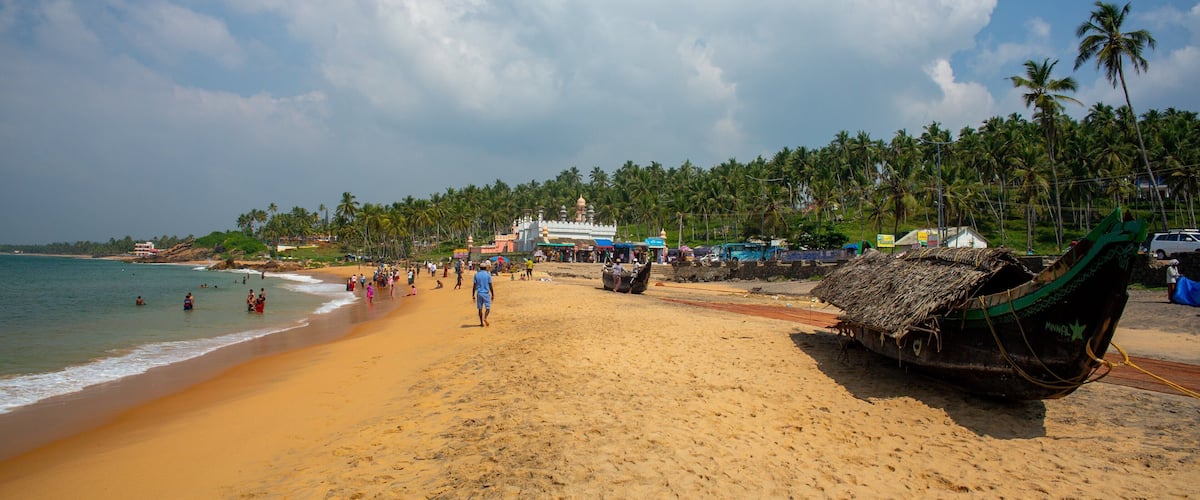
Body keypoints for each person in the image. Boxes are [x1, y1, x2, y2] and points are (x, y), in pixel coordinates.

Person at [473, 260, 494, 327]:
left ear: (480, 268)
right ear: (485, 268)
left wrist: (473, 295)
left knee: (480, 309)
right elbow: (490, 285)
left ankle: (481, 323)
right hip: (486, 293)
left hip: (479, 293)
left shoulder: (476, 275)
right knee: (487, 308)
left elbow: (474, 286)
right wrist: (493, 294)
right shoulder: (488, 275)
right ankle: (485, 318)